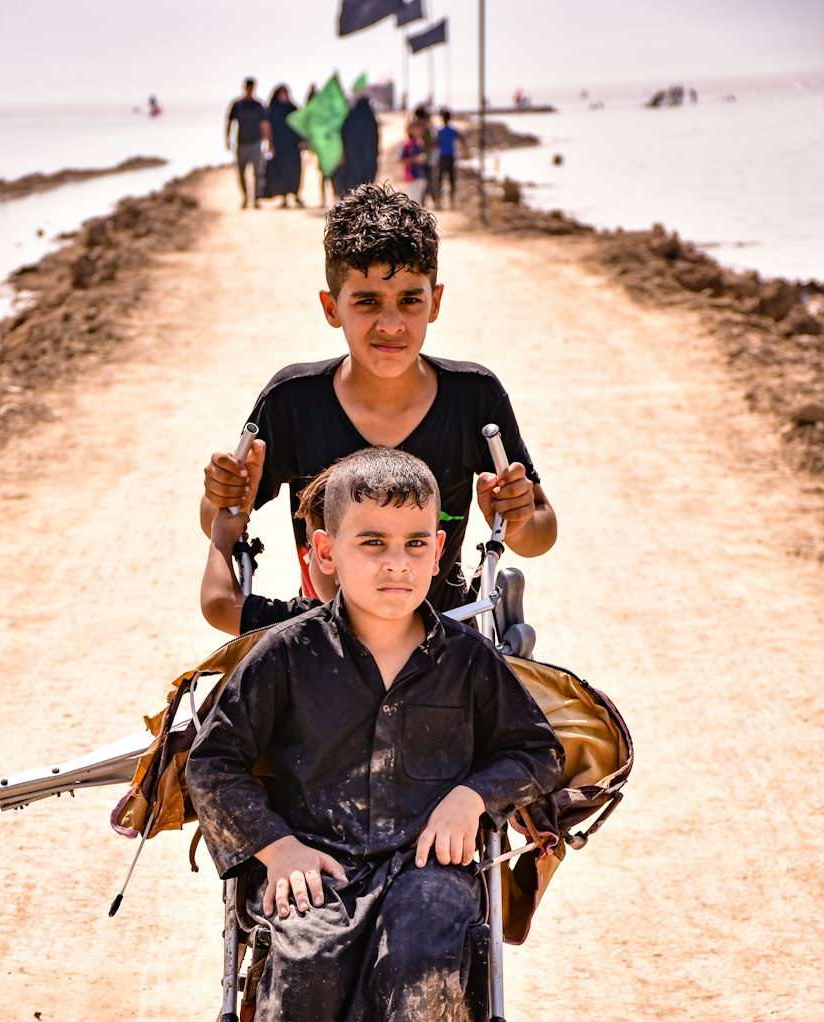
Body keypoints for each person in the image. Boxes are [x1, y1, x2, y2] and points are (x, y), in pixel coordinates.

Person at [186, 448, 563, 1022]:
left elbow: (534, 751)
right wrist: (274, 848)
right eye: (371, 543)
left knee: (431, 956)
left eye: (415, 543)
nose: (395, 564)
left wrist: (473, 793)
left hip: (427, 869)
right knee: (308, 962)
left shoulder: (467, 661)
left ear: (441, 551)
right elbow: (217, 766)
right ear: (324, 553)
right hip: (318, 861)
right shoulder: (284, 656)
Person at [199, 181, 556, 614]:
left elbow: (540, 532)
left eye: (409, 300)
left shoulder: (475, 398)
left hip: (445, 638)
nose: (391, 323)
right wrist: (225, 493)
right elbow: (220, 518)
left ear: (435, 302)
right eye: (367, 301)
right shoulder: (291, 402)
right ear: (332, 308)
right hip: (324, 640)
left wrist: (516, 519)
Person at [200, 471, 336, 635]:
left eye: (310, 546)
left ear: (326, 554)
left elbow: (220, 605)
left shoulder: (315, 625)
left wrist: (221, 539)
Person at [226, 78, 270, 209]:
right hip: (242, 143)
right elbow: (230, 122)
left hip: (256, 143)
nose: (249, 90)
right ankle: (245, 197)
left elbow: (264, 124)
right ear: (244, 88)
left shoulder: (258, 105)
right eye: (248, 87)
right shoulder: (237, 104)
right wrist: (228, 139)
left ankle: (256, 199)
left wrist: (266, 141)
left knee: (258, 173)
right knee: (241, 173)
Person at [262, 84, 304, 208]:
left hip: (293, 146)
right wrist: (270, 144)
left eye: (285, 93)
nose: (283, 96)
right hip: (279, 146)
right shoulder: (272, 110)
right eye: (281, 93)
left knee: (295, 171)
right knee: (281, 172)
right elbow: (267, 127)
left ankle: (295, 195)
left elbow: (301, 125)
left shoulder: (293, 108)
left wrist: (304, 140)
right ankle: (284, 197)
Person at [333, 92, 379, 196]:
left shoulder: (350, 117)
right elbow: (375, 138)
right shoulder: (371, 118)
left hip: (352, 157)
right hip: (368, 158)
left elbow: (344, 134)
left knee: (353, 182)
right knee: (367, 183)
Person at [435, 109, 462, 208]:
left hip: (442, 156)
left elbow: (435, 143)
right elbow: (461, 139)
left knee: (440, 180)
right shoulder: (453, 130)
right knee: (451, 180)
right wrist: (465, 151)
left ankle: (439, 202)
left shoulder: (440, 130)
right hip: (450, 157)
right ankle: (452, 202)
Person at [399, 119, 429, 205]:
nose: (418, 131)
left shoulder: (419, 143)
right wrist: (416, 159)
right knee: (413, 203)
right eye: (415, 128)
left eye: (419, 129)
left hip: (420, 176)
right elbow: (401, 159)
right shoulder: (407, 144)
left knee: (416, 203)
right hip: (412, 176)